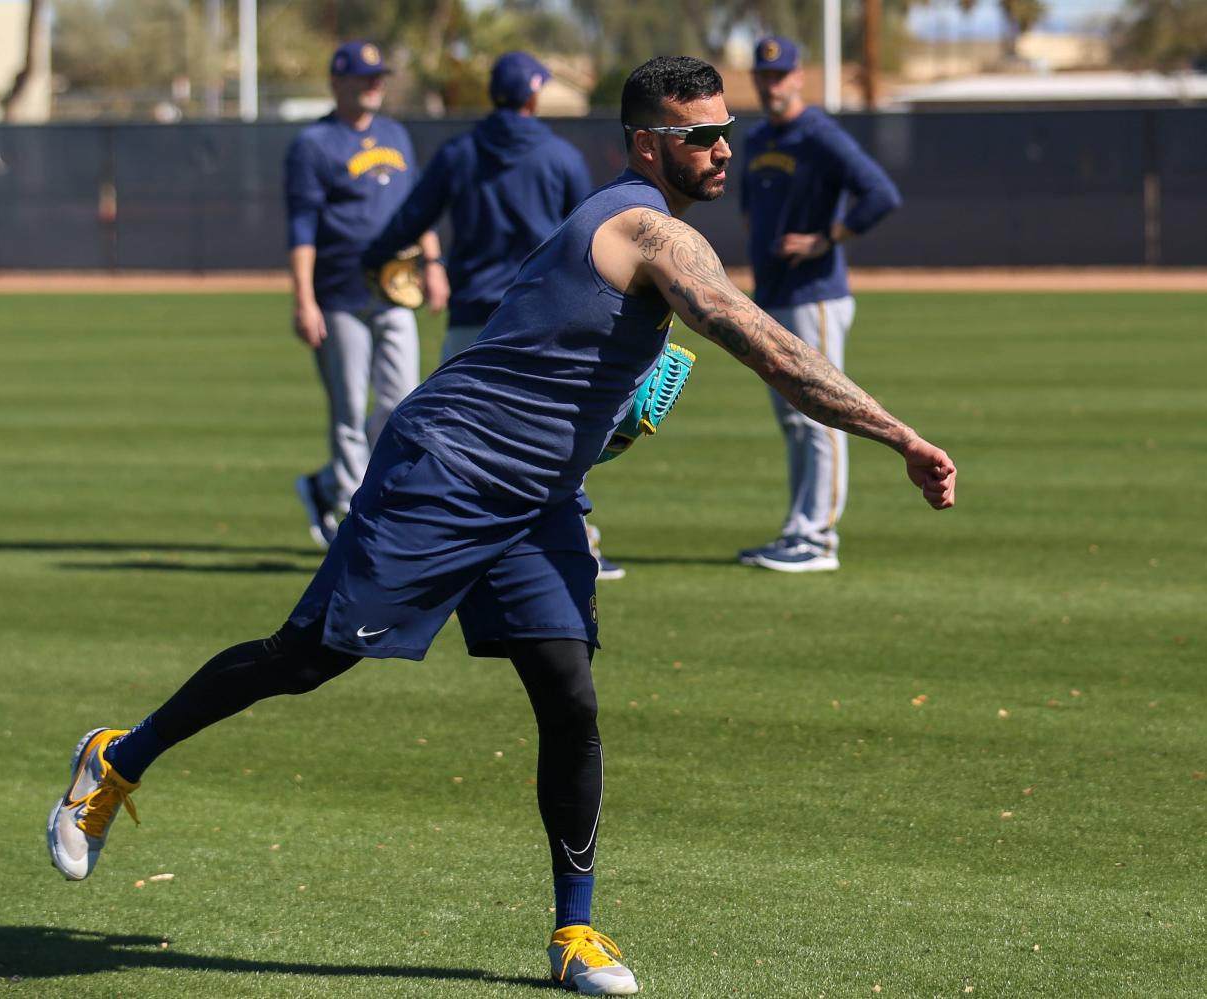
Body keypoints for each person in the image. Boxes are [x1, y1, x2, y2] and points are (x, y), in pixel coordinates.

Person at [46, 56, 955, 996]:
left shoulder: (632, 224)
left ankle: (575, 932)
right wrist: (898, 434)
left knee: (569, 694)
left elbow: (542, 354)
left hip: (534, 499)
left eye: (728, 131)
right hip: (445, 471)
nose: (723, 149)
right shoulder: (648, 225)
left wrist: (597, 431)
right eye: (700, 136)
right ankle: (116, 757)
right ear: (649, 144)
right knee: (305, 658)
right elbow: (762, 340)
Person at [362, 51, 624, 579]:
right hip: (541, 324)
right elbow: (594, 235)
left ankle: (446, 550)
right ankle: (577, 545)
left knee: (455, 442)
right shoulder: (559, 156)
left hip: (472, 320)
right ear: (532, 94)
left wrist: (371, 258)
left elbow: (412, 217)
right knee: (550, 441)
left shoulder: (460, 152)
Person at [737, 36, 903, 573]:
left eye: (780, 74)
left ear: (799, 76)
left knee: (822, 415)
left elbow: (880, 192)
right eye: (764, 76)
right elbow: (748, 208)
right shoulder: (759, 138)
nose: (772, 84)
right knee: (793, 419)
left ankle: (819, 538)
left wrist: (824, 238)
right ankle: (797, 529)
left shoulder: (820, 134)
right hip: (772, 294)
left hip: (816, 296)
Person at [285, 40, 449, 550]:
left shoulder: (395, 134)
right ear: (337, 82)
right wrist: (304, 300)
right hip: (339, 295)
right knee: (350, 407)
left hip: (396, 292)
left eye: (379, 76)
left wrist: (435, 262)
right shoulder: (314, 145)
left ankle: (337, 487)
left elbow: (418, 207)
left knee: (401, 404)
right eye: (364, 76)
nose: (374, 84)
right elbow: (301, 229)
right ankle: (348, 510)